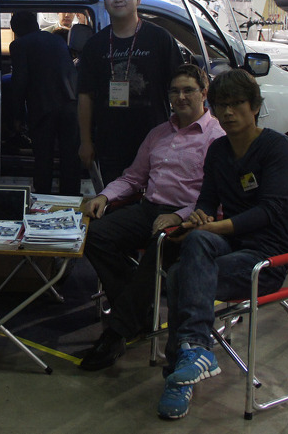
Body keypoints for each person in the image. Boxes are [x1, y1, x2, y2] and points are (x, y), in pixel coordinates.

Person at [155, 68, 288, 420]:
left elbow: (269, 211)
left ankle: (180, 373)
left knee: (180, 276)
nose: (229, 112)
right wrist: (200, 217)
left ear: (255, 107)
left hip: (267, 258)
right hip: (231, 246)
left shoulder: (276, 147)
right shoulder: (218, 149)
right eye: (222, 105)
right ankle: (194, 354)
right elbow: (207, 199)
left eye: (237, 104)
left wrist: (213, 226)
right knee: (197, 240)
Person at [78, 64, 224, 370]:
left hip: (188, 217)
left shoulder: (216, 137)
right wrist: (104, 196)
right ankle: (138, 313)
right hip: (148, 208)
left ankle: (116, 334)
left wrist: (179, 218)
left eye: (188, 90)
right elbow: (133, 178)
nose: (180, 97)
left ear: (204, 93)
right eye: (175, 91)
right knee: (94, 234)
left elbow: (213, 198)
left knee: (157, 250)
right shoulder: (159, 133)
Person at [77, 0, 184, 185]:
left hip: (156, 139)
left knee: (155, 197)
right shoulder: (95, 45)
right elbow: (85, 96)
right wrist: (85, 141)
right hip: (110, 143)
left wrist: (183, 134)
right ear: (105, 1)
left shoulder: (159, 39)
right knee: (115, 197)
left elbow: (180, 87)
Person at [8, 11, 81, 195]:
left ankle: (43, 197)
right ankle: (71, 197)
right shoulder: (56, 40)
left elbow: (19, 82)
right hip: (70, 105)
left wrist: (17, 117)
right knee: (69, 156)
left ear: (15, 30)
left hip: (43, 107)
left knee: (43, 156)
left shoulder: (19, 45)